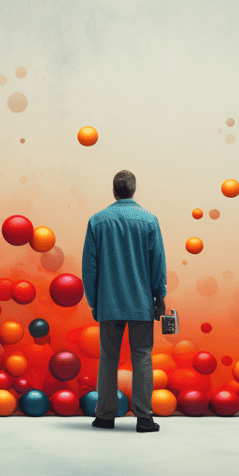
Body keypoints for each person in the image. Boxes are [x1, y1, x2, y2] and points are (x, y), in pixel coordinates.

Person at [81, 170, 167, 432]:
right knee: (142, 357)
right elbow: (157, 264)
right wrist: (159, 297)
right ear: (134, 190)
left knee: (108, 358)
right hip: (141, 303)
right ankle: (144, 418)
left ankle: (105, 416)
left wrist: (94, 301)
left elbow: (90, 268)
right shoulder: (149, 220)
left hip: (108, 302)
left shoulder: (97, 221)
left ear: (114, 190)